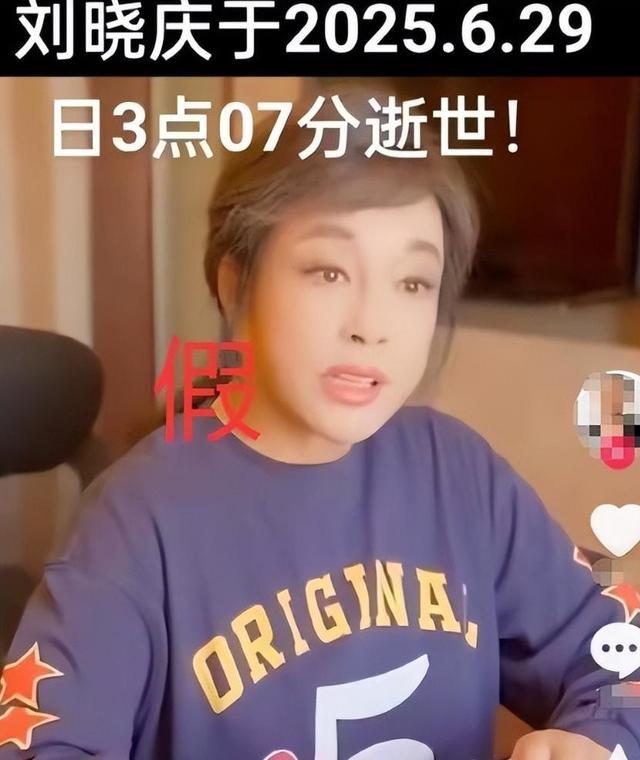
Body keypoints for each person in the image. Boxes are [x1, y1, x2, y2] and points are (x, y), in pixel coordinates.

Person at [1, 85, 638, 760]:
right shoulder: (135, 522)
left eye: (413, 282)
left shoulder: (461, 476)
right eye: (328, 271)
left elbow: (616, 656)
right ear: (235, 284)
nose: (372, 325)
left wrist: (598, 742)